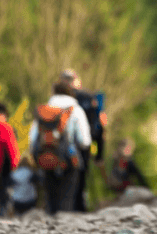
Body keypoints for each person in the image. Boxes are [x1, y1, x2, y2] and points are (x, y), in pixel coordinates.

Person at [29, 80, 92, 214]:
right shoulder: (76, 110)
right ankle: (64, 221)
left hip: (45, 156)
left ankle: (51, 222)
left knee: (51, 196)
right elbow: (85, 141)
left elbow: (32, 138)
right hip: (69, 159)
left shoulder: (44, 110)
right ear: (71, 93)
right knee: (67, 195)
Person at [60, 68, 106, 212]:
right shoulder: (89, 97)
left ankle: (65, 207)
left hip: (64, 143)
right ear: (77, 81)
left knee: (66, 175)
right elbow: (100, 126)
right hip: (85, 142)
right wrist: (100, 154)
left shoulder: (60, 99)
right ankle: (79, 207)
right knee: (81, 176)